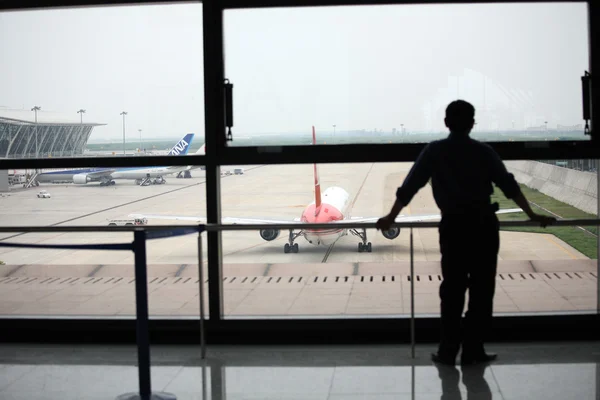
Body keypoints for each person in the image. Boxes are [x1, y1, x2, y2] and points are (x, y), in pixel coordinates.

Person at [376, 100, 555, 366]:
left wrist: (391, 218)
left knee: (452, 291)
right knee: (482, 291)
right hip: (483, 226)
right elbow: (509, 186)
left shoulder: (434, 152)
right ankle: (474, 350)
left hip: (454, 227)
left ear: (446, 123)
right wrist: (531, 215)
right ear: (472, 123)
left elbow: (410, 186)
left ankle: (448, 351)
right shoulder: (484, 153)